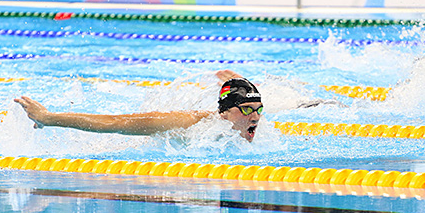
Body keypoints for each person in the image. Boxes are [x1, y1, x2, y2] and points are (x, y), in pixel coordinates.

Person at [14, 70, 263, 142]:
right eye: (247, 110)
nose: (256, 117)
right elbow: (116, 123)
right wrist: (48, 117)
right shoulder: (189, 123)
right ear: (224, 112)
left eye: (259, 109)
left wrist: (230, 77)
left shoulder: (247, 125)